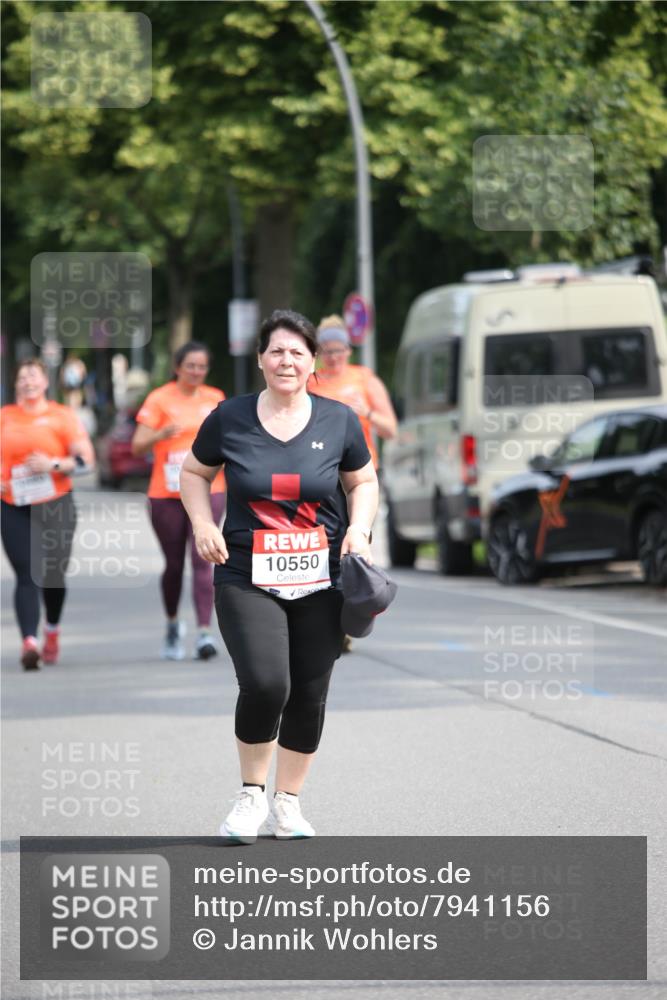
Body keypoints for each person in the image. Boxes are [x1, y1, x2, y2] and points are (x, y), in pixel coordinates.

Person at [180, 309, 378, 842]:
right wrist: (202, 523)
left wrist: (358, 531)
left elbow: (362, 482)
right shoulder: (230, 417)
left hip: (322, 576)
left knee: (310, 691)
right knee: (268, 683)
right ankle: (250, 795)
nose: (286, 360)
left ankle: (287, 803)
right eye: (276, 351)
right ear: (261, 359)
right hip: (245, 571)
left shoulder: (339, 420)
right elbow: (195, 472)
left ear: (313, 361)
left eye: (297, 352)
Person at [132, 341, 226, 661]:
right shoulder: (159, 399)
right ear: (177, 367)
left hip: (209, 489)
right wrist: (160, 434)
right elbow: (136, 445)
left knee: (204, 559)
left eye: (202, 367)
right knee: (173, 564)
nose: (196, 372)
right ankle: (173, 623)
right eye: (191, 366)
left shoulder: (215, 399)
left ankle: (203, 632)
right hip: (167, 494)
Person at [1, 358, 95, 670]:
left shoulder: (62, 416)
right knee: (27, 573)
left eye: (34, 376)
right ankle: (30, 642)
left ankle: (51, 630)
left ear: (45, 382)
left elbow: (86, 460)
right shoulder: (5, 417)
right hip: (14, 504)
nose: (28, 381)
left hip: (56, 501)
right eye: (22, 376)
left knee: (53, 574)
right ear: (16, 384)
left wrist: (53, 465)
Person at [307, 314, 398, 468]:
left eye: (338, 350)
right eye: (328, 352)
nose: (334, 357)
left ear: (348, 350)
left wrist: (367, 413)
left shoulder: (365, 378)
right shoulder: (309, 382)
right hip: (322, 467)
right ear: (319, 354)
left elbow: (391, 431)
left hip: (363, 467)